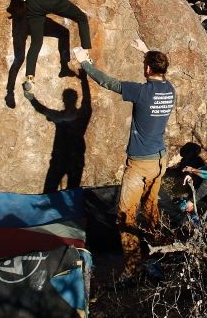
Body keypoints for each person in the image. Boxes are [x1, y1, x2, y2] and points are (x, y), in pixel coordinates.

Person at [73, 39, 174, 281]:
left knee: (125, 215)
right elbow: (160, 65)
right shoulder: (169, 88)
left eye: (145, 64)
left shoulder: (142, 91)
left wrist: (84, 63)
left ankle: (133, 268)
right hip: (160, 161)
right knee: (151, 210)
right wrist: (147, 50)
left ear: (148, 69)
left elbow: (108, 82)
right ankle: (159, 255)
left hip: (140, 164)